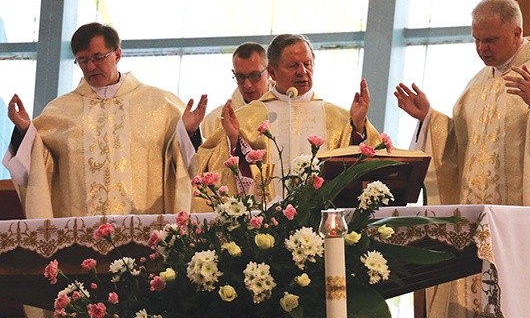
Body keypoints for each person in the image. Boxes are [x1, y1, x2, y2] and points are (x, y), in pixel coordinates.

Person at [394, 0, 530, 318]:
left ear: (517, 32)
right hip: (481, 230)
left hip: (526, 226)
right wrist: (429, 119)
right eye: (476, 39)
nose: (481, 48)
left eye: (490, 40)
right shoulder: (476, 86)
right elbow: (459, 149)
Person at [2, 22, 208, 220]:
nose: (91, 66)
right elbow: (40, 166)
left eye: (98, 57)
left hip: (145, 229)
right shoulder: (59, 111)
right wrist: (25, 131)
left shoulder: (161, 104)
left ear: (117, 54)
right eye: (82, 60)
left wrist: (188, 133)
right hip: (81, 232)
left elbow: (184, 165)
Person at [192, 33, 381, 208]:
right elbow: (208, 167)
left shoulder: (338, 117)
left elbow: (367, 165)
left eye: (307, 64)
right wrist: (233, 142)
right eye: (293, 66)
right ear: (272, 72)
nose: (302, 71)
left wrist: (358, 126)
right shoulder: (247, 117)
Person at [201, 42, 272, 138]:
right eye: (240, 77)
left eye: (254, 75)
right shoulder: (215, 120)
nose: (247, 85)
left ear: (269, 71)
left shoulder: (286, 110)